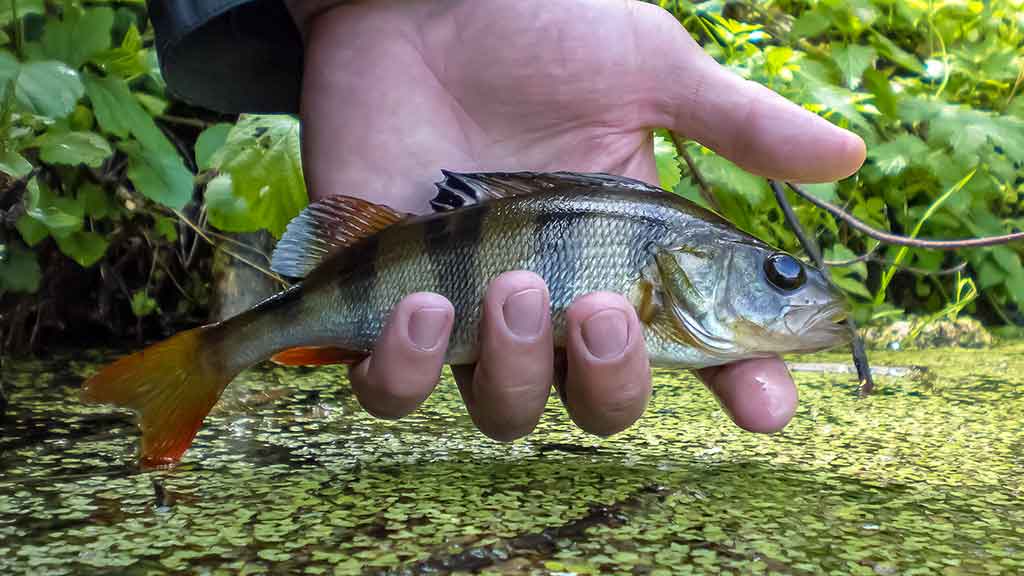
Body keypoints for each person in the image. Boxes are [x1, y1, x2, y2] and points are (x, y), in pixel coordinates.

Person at [149, 0, 866, 441]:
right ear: (698, 262)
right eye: (781, 275)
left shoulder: (664, 257)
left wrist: (347, 8)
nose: (801, 294)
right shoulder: (663, 246)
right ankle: (207, 359)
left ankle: (204, 362)